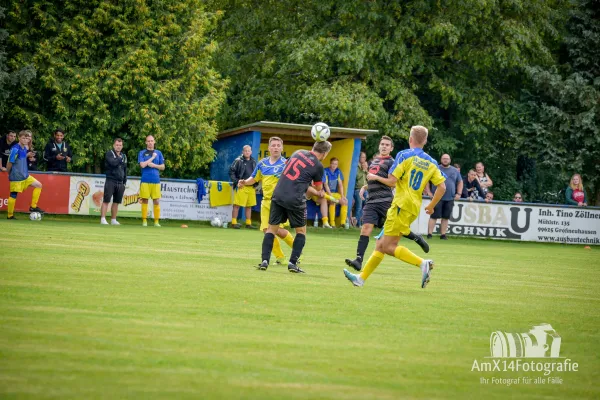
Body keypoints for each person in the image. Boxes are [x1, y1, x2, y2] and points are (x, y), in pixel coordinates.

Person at [343, 126, 446, 289]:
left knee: (388, 246)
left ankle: (422, 263)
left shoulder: (404, 155)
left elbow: (392, 181)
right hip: (413, 207)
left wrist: (374, 178)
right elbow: (442, 188)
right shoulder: (432, 162)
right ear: (425, 141)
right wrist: (431, 206)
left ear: (410, 139)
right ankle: (360, 279)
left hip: (400, 205)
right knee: (381, 244)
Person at [344, 136, 429, 272]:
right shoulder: (374, 161)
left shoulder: (392, 162)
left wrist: (375, 178)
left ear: (391, 148)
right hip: (371, 201)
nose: (384, 146)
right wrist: (366, 186)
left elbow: (392, 182)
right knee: (365, 228)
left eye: (387, 145)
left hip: (385, 201)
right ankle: (359, 260)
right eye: (382, 144)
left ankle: (416, 238)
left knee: (397, 228)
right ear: (379, 146)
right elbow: (373, 179)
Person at [258, 140, 332, 273]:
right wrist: (318, 192)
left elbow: (288, 170)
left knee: (271, 229)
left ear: (313, 147)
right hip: (295, 199)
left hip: (278, 194)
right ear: (325, 153)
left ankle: (264, 261)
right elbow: (318, 188)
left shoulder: (298, 152)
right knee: (301, 232)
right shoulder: (318, 166)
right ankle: (292, 263)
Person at [238, 137, 296, 263]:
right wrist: (244, 182)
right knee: (266, 230)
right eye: (273, 145)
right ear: (269, 148)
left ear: (282, 148)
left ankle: (297, 249)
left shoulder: (286, 164)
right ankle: (280, 258)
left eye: (278, 145)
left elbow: (294, 180)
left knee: (278, 231)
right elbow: (254, 178)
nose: (275, 147)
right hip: (266, 202)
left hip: (280, 202)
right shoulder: (262, 163)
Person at [6, 130, 44, 219]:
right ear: (19, 138)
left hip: (25, 176)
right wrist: (9, 172)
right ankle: (10, 215)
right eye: (23, 138)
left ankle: (33, 207)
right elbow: (10, 162)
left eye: (27, 138)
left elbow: (21, 158)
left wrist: (28, 155)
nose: (25, 140)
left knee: (39, 185)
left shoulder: (24, 148)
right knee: (13, 195)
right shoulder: (15, 149)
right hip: (16, 176)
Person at [426, 154, 462, 240]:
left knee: (446, 217)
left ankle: (443, 235)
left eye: (447, 159)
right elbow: (427, 180)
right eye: (444, 158)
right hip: (437, 197)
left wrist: (459, 193)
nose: (445, 160)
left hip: (450, 198)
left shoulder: (455, 171)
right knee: (433, 216)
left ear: (450, 160)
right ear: (441, 159)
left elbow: (460, 182)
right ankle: (429, 234)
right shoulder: (435, 168)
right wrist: (428, 192)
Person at [138, 135, 165, 226]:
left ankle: (156, 221)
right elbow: (142, 165)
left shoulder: (159, 153)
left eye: (151, 141)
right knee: (145, 200)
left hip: (156, 180)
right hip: (145, 180)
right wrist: (152, 158)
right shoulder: (142, 153)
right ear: (146, 142)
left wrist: (154, 165)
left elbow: (163, 167)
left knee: (156, 201)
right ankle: (144, 220)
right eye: (148, 141)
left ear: (154, 142)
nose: (150, 142)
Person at [100, 138, 128, 225]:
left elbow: (125, 168)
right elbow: (113, 163)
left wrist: (124, 181)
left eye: (120, 145)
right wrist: (119, 159)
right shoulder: (109, 153)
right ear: (114, 145)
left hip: (120, 182)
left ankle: (113, 219)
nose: (118, 147)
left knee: (116, 202)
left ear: (122, 146)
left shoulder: (124, 156)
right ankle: (103, 219)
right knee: (106, 200)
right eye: (117, 145)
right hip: (111, 180)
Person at [230, 145, 257, 229]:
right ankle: (233, 223)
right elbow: (231, 172)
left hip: (251, 186)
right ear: (242, 152)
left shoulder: (253, 161)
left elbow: (257, 173)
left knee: (249, 206)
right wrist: (237, 181)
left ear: (251, 152)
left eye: (249, 151)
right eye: (245, 151)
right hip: (241, 185)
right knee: (237, 205)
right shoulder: (238, 160)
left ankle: (248, 224)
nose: (247, 152)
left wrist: (256, 184)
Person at [324, 157, 349, 228]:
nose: (334, 165)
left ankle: (343, 223)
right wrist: (330, 195)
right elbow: (325, 184)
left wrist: (342, 196)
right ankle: (332, 223)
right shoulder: (325, 171)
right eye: (333, 164)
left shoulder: (338, 171)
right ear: (330, 164)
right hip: (326, 193)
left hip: (334, 193)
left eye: (336, 164)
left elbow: (340, 185)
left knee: (345, 201)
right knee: (333, 201)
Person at [352, 151, 368, 227]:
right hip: (358, 189)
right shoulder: (356, 166)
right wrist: (363, 170)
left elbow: (368, 177)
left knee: (365, 206)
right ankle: (357, 223)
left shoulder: (365, 166)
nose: (364, 159)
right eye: (362, 157)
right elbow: (357, 177)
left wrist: (366, 170)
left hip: (365, 189)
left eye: (365, 157)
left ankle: (360, 222)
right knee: (359, 206)